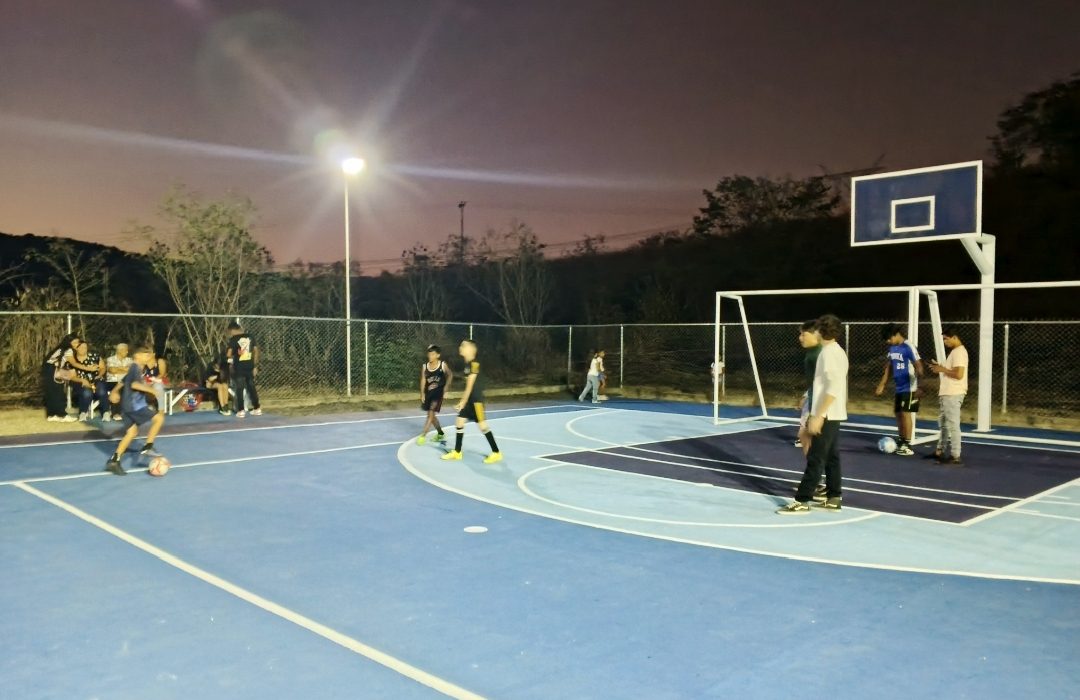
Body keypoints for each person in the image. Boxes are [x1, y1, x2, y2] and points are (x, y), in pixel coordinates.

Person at [777, 314, 848, 514]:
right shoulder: (835, 351)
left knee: (816, 457)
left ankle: (802, 500)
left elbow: (833, 387)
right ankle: (834, 497)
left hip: (826, 413)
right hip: (832, 412)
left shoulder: (828, 354)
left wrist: (818, 415)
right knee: (831, 456)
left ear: (820, 331)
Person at [105, 346, 165, 476]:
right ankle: (148, 446)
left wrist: (114, 391)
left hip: (126, 406)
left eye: (149, 355)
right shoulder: (135, 367)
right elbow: (134, 385)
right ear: (137, 356)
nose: (148, 357)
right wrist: (152, 390)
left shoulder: (136, 368)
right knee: (159, 418)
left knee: (132, 432)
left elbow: (124, 381)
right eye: (145, 354)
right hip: (134, 406)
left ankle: (114, 461)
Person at [441, 339, 502, 463]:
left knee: (483, 426)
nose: (460, 347)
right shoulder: (468, 365)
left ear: (471, 349)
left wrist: (463, 401)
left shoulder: (474, 364)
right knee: (459, 422)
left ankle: (496, 453)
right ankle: (457, 452)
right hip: (470, 401)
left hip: (476, 401)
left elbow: (470, 384)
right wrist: (464, 401)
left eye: (464, 345)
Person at [874, 324, 924, 456]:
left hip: (910, 386)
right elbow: (889, 366)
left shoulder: (908, 346)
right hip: (899, 387)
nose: (887, 341)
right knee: (898, 413)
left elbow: (919, 366)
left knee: (906, 413)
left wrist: (920, 386)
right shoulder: (892, 348)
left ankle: (907, 444)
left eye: (889, 338)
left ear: (896, 334)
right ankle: (902, 440)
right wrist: (882, 384)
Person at [928, 327, 968, 465]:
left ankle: (955, 455)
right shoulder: (955, 352)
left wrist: (942, 369)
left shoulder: (959, 352)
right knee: (944, 425)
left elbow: (959, 374)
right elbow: (950, 370)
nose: (945, 342)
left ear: (954, 337)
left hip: (953, 393)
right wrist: (939, 366)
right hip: (947, 393)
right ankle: (940, 451)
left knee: (953, 425)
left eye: (946, 339)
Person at [794, 319, 822, 455]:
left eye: (803, 334)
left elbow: (823, 383)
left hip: (819, 404)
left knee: (807, 436)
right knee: (804, 436)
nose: (800, 338)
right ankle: (815, 467)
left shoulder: (819, 354)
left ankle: (815, 467)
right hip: (815, 401)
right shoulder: (812, 353)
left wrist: (817, 413)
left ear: (816, 334)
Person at [41, 333, 81, 422]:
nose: (77, 344)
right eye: (74, 342)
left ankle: (51, 415)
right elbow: (74, 363)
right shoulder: (69, 350)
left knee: (52, 393)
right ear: (69, 342)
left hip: (48, 369)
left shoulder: (60, 348)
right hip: (53, 370)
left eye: (78, 342)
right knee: (58, 393)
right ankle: (62, 415)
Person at [417, 344, 453, 444]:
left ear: (438, 355)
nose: (430, 356)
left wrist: (446, 388)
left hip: (438, 393)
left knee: (430, 414)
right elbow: (423, 380)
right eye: (429, 354)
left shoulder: (442, 365)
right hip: (429, 393)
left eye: (433, 354)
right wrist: (422, 393)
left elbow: (450, 375)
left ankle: (423, 435)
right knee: (432, 416)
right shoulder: (425, 366)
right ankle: (440, 433)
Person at [227, 321, 262, 417]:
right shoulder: (250, 337)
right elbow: (256, 351)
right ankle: (257, 408)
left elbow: (229, 354)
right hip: (249, 366)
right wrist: (255, 365)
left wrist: (230, 364)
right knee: (251, 387)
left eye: (230, 332)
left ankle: (241, 410)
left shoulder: (233, 339)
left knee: (239, 388)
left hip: (239, 367)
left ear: (232, 330)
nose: (230, 334)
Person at [70, 341, 108, 421]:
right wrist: (82, 380)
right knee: (87, 392)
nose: (83, 349)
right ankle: (83, 413)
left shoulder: (95, 356)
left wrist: (99, 375)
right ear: (76, 348)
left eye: (85, 347)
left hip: (96, 379)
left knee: (101, 390)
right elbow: (72, 376)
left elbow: (103, 368)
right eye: (81, 347)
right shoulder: (73, 360)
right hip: (80, 381)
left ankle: (105, 412)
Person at [104, 343, 134, 422]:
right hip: (112, 381)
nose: (127, 352)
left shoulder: (129, 360)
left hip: (125, 382)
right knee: (118, 389)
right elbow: (112, 370)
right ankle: (116, 413)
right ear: (119, 351)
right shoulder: (110, 359)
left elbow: (131, 371)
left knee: (124, 387)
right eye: (125, 350)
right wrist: (125, 369)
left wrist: (118, 368)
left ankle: (120, 412)